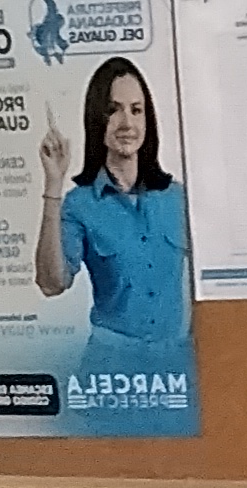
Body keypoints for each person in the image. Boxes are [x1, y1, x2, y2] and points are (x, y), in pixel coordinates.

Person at [32, 56, 189, 431]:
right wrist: (53, 184)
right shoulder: (80, 204)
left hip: (176, 373)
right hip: (112, 374)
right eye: (114, 110)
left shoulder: (178, 198)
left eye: (136, 110)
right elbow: (52, 283)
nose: (127, 123)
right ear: (96, 120)